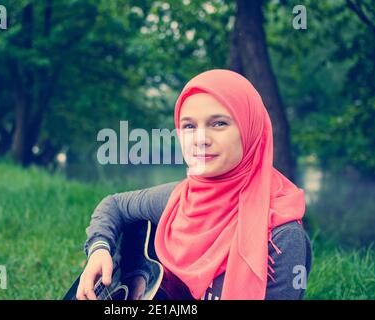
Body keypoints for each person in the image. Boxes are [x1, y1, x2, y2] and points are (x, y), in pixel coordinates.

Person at [75, 69, 312, 300]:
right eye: (189, 126)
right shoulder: (180, 199)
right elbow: (114, 204)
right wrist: (99, 249)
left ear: (250, 129)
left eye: (218, 123)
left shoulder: (282, 236)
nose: (200, 139)